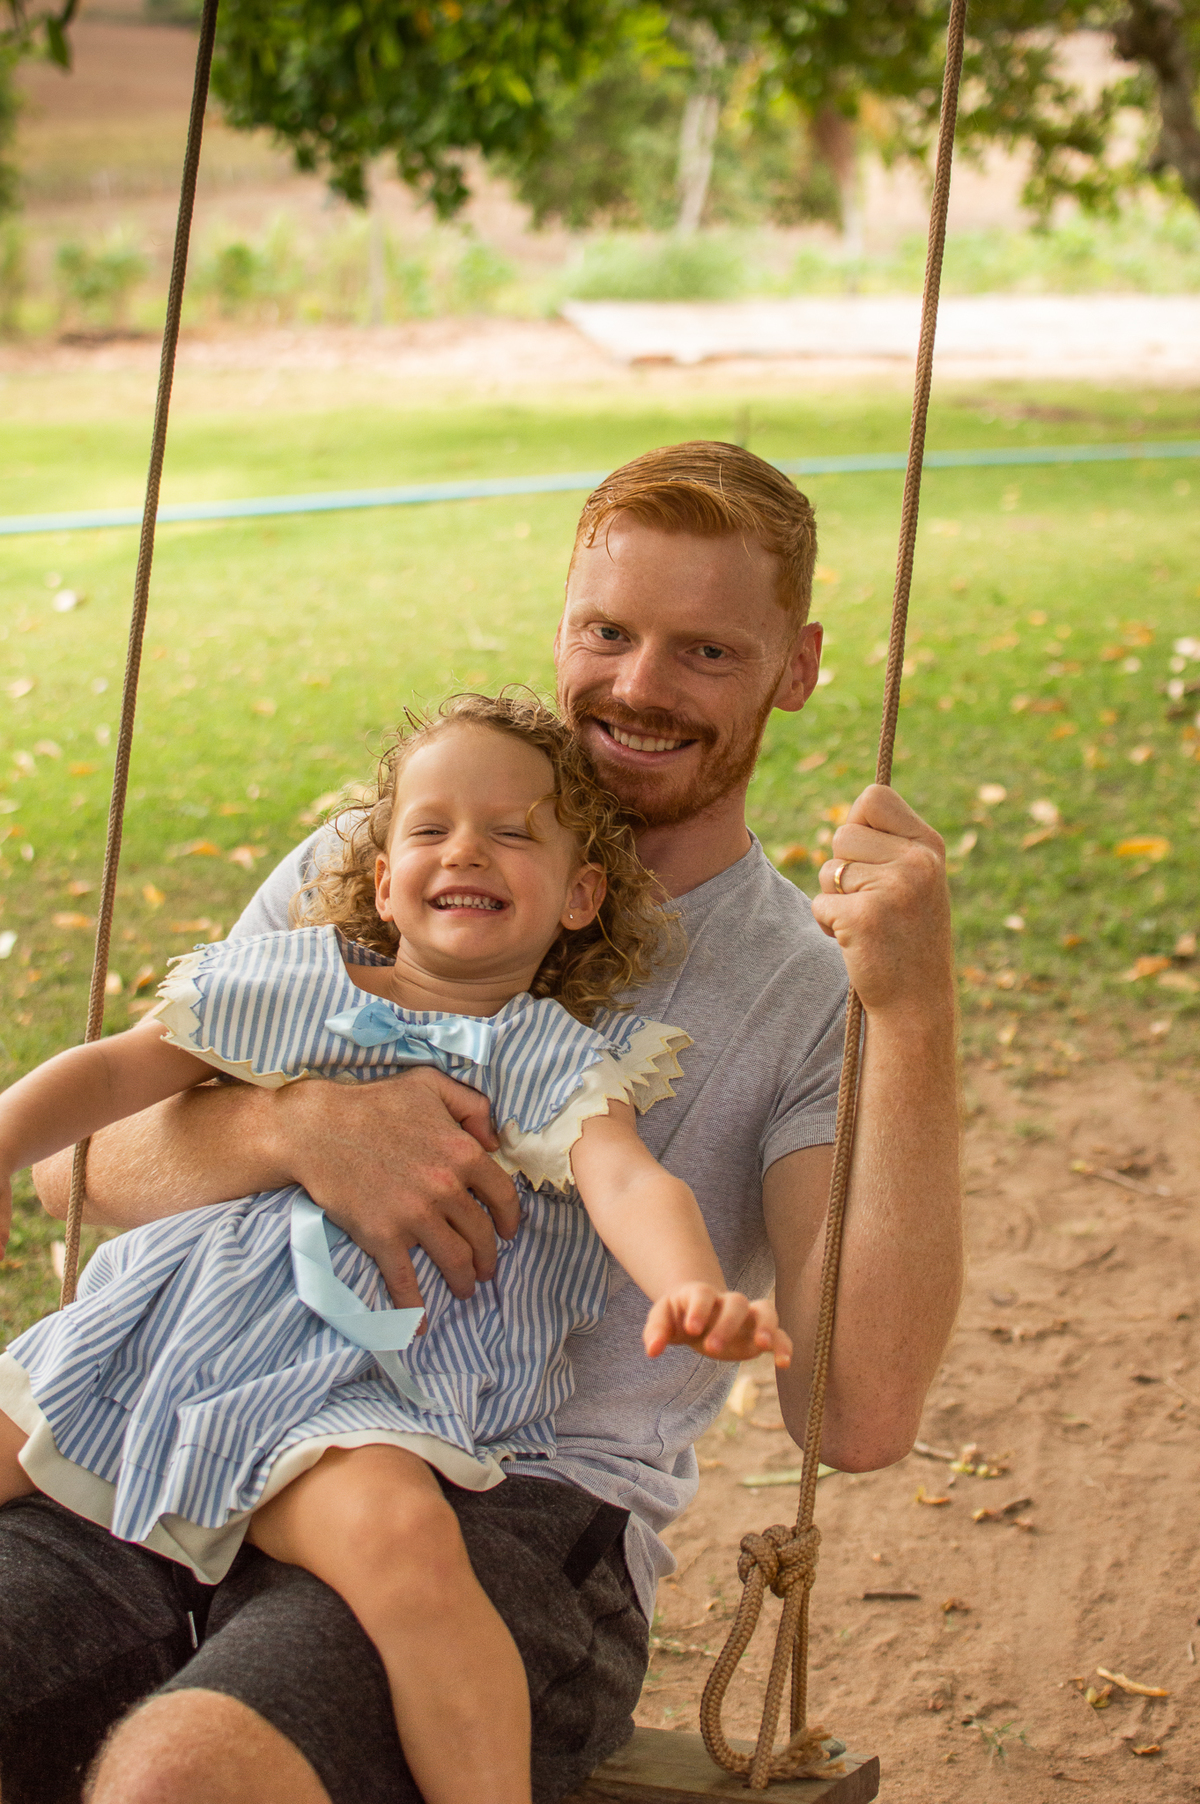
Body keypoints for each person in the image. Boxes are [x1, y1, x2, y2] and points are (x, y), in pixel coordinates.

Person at [17, 441, 963, 1804]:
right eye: (608, 632)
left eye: (705, 651)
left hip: (508, 1499)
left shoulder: (807, 991)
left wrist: (916, 1020)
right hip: (186, 1402)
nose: (639, 684)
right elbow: (72, 1173)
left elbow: (856, 1414)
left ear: (798, 671)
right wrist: (288, 1131)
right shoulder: (378, 869)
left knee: (186, 1778)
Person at [0, 692, 792, 1804]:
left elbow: (627, 1179)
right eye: (430, 828)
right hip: (152, 1348)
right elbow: (116, 1072)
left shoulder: (546, 1057)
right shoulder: (292, 984)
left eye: (513, 831)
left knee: (411, 1548)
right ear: (382, 879)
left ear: (580, 894)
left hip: (351, 1387)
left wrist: (693, 1287)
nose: (466, 848)